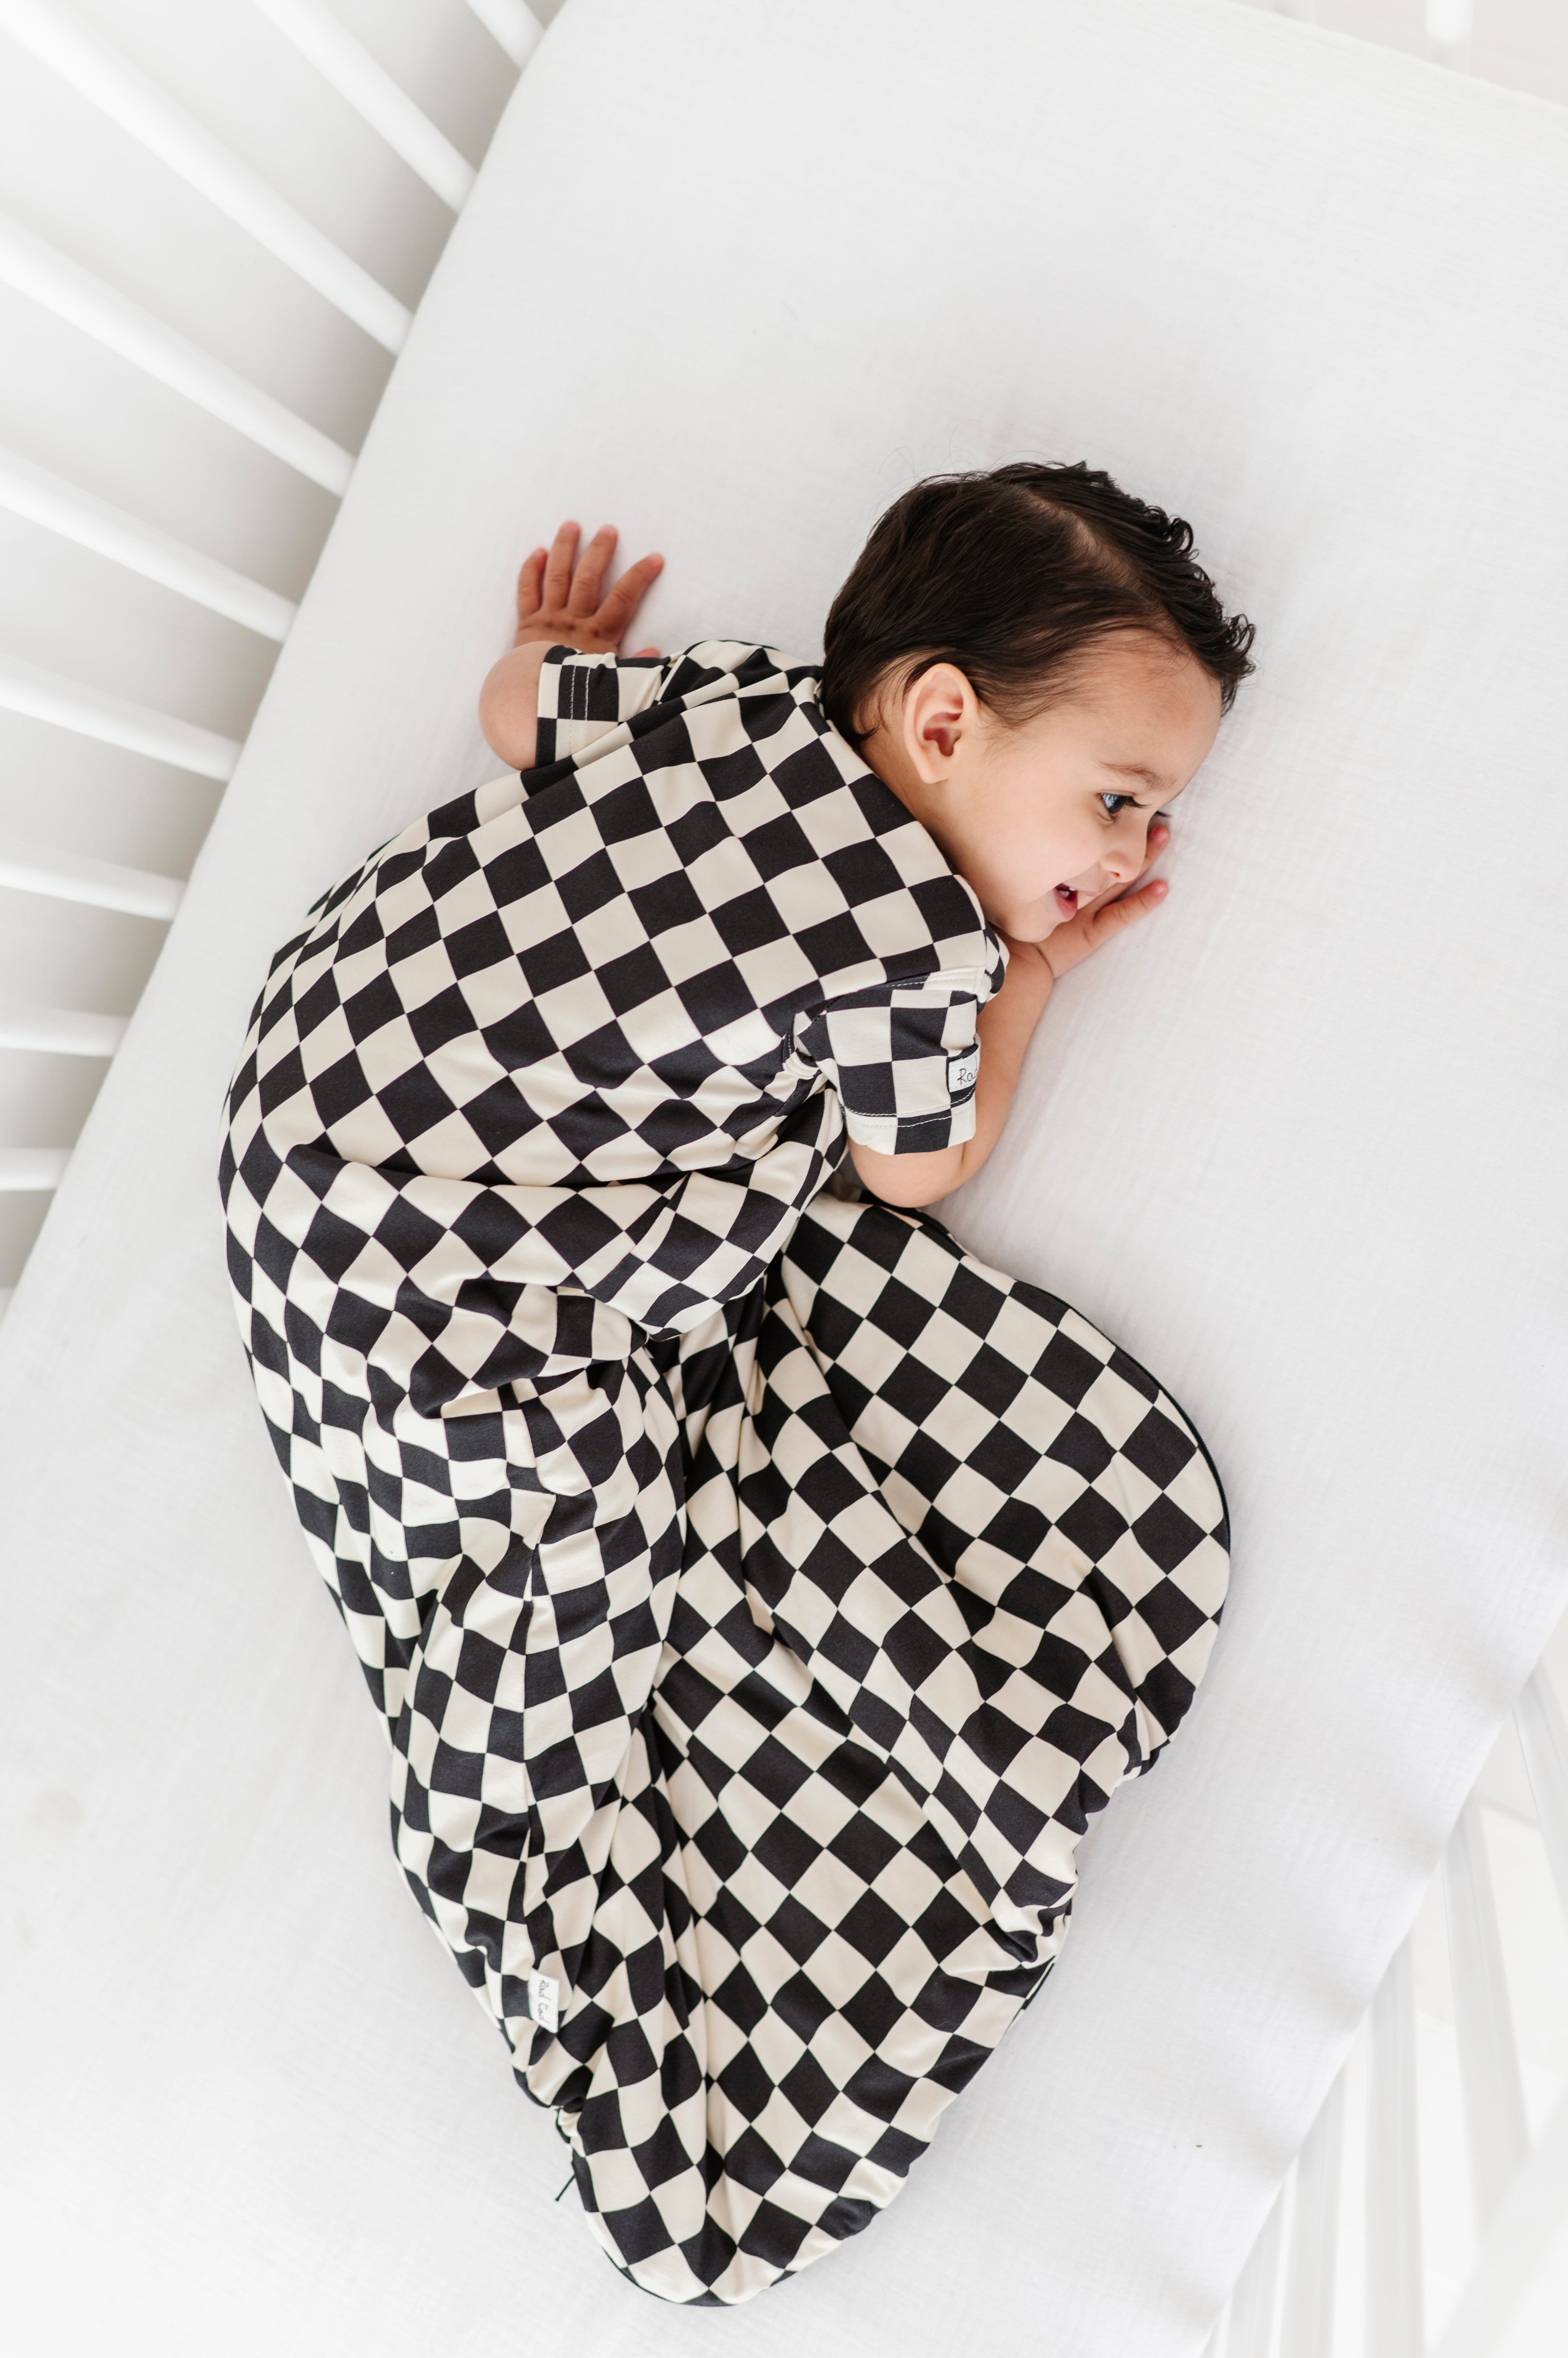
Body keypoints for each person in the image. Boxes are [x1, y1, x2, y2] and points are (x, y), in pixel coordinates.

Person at [221, 462, 1252, 2307]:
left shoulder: (737, 697)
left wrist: (549, 648)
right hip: (453, 1282)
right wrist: (1022, 975)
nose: (1125, 859)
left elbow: (518, 716)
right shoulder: (912, 938)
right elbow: (917, 1167)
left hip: (316, 1094)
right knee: (574, 1529)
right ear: (940, 720)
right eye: (1113, 801)